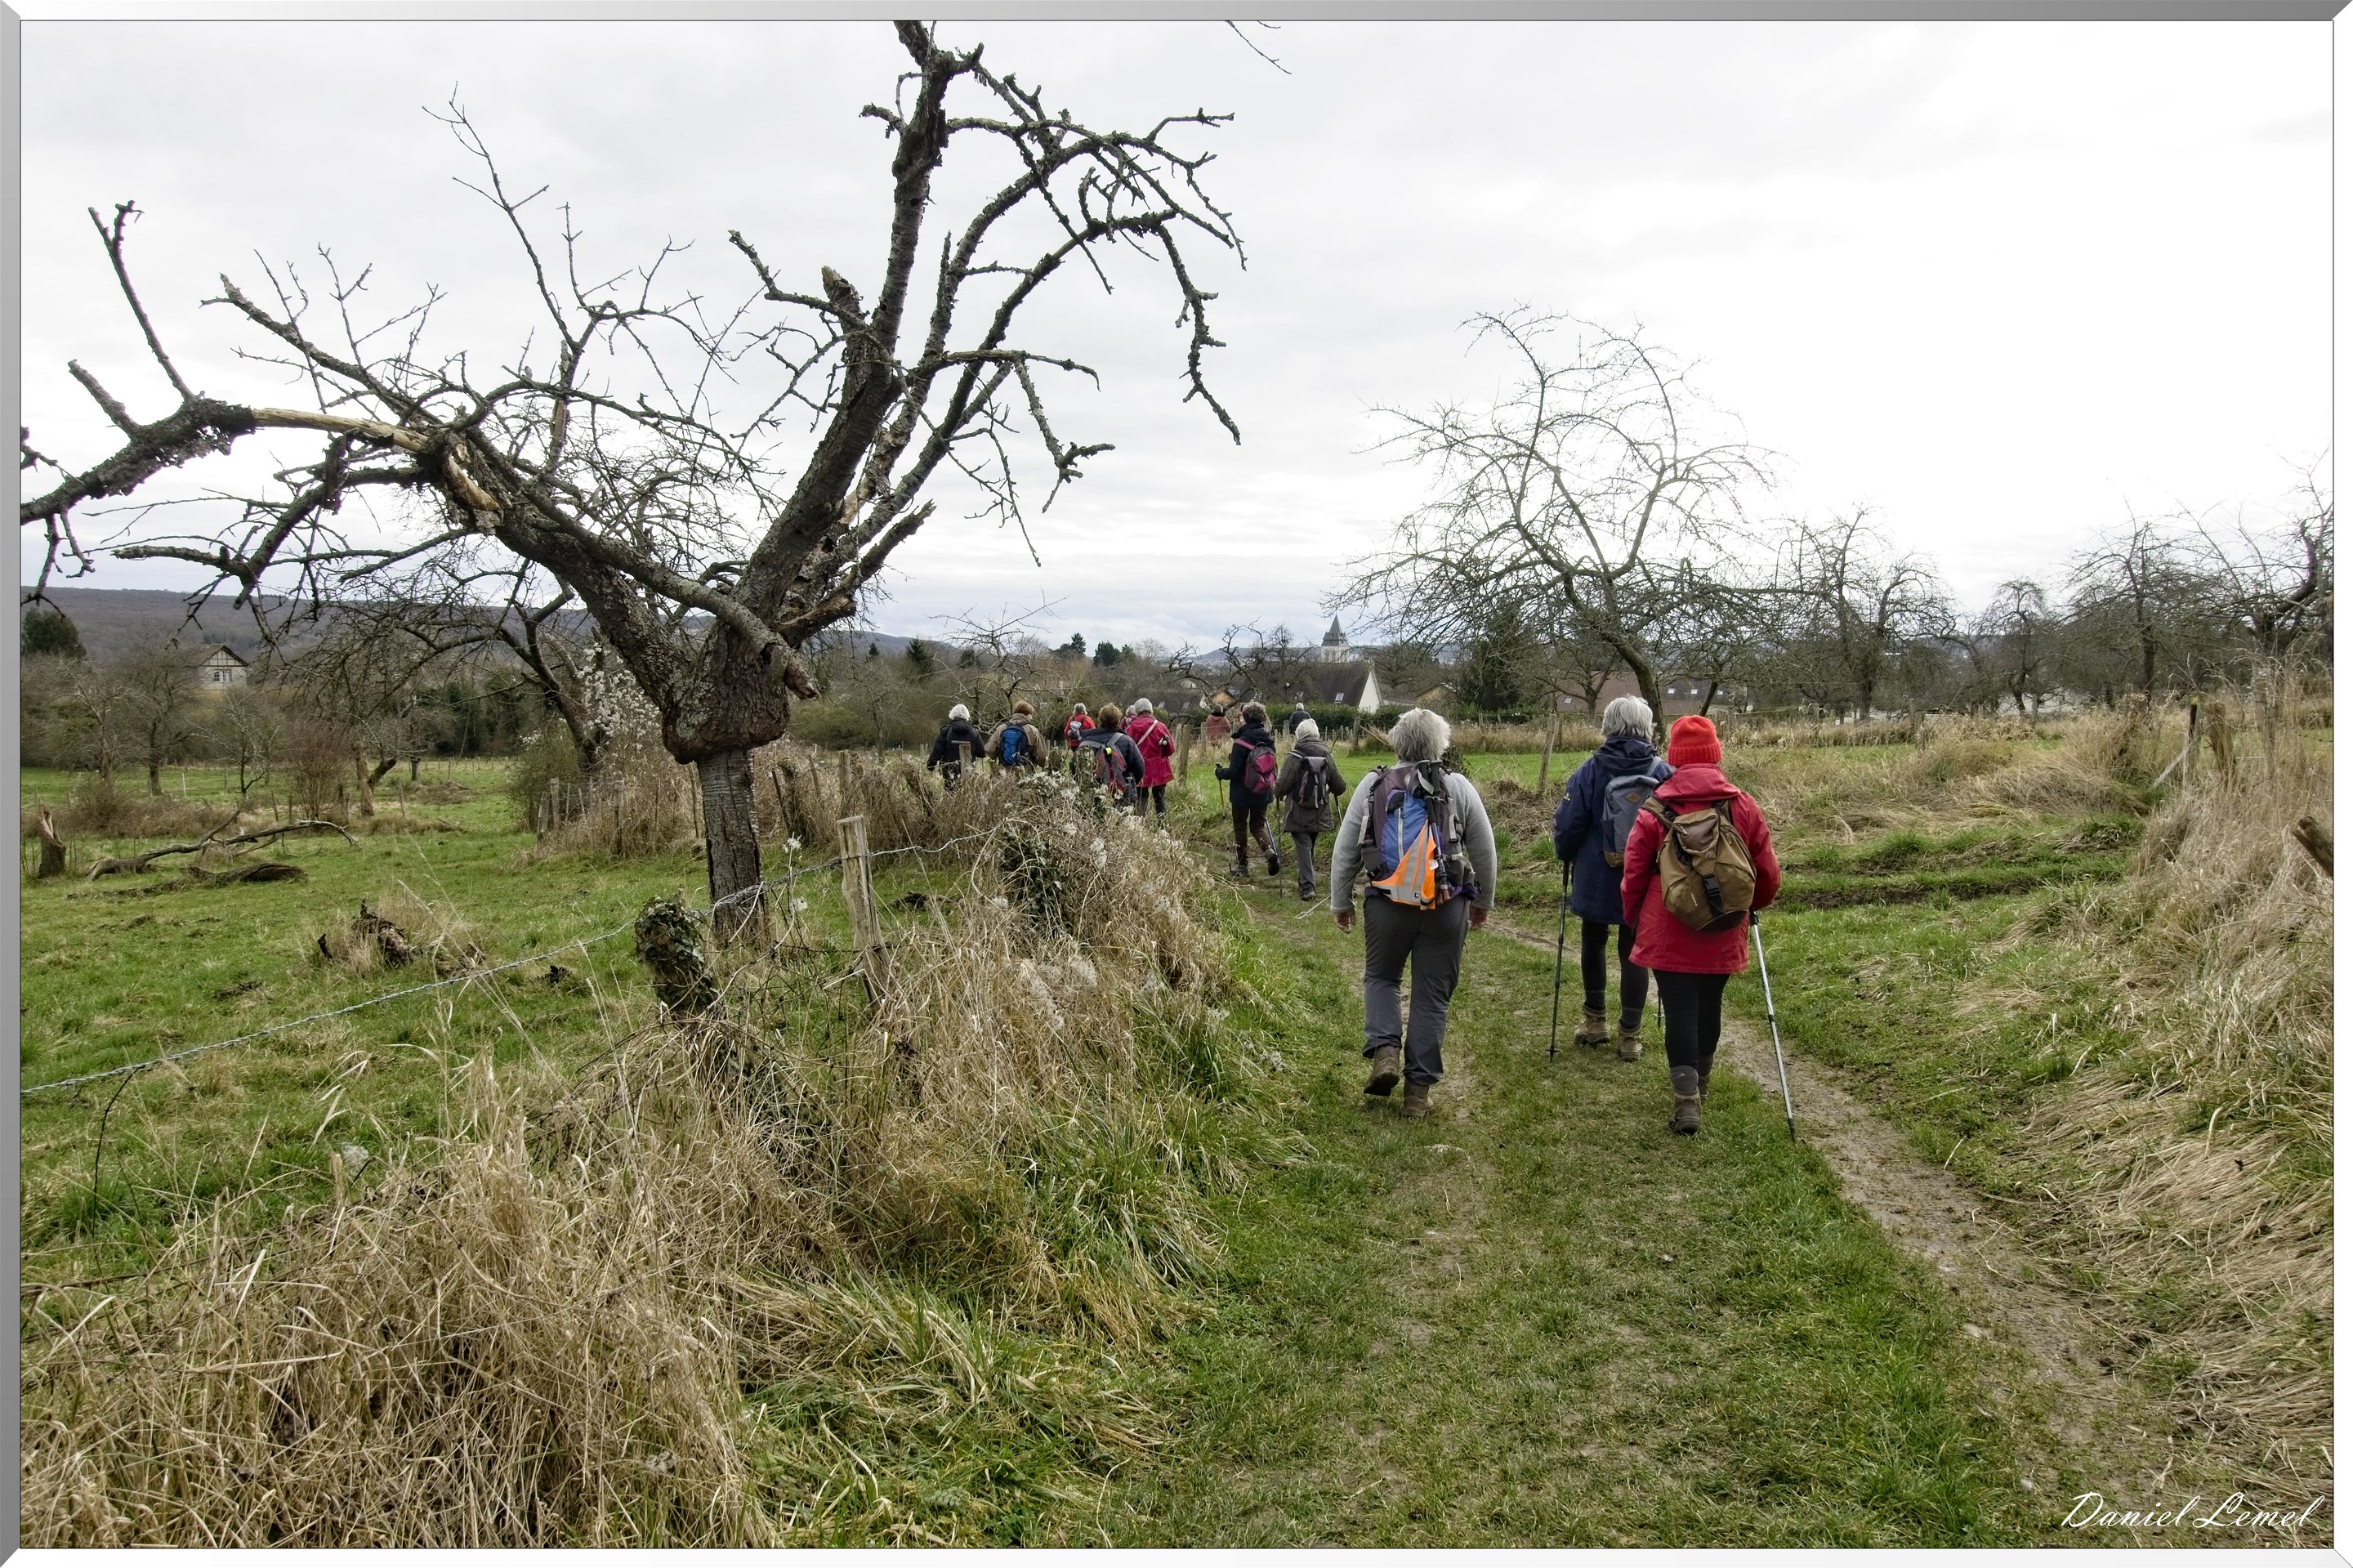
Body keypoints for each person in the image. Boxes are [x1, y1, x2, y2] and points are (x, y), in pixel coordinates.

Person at [1328, 708, 1498, 1119]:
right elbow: (1484, 850)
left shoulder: (1373, 783)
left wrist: (1341, 901)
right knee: (1431, 996)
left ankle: (1386, 1049)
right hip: (1446, 903)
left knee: (1382, 978)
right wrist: (1482, 902)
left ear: (1396, 743)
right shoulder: (1456, 786)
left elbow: (1346, 848)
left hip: (1386, 902)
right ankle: (1417, 1095)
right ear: (1441, 745)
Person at [1619, 714, 1782, 1136]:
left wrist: (1634, 917)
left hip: (1668, 924)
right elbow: (1767, 874)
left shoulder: (1655, 808)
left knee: (1679, 1011)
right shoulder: (1742, 805)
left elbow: (1634, 872)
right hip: (1724, 924)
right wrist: (1747, 909)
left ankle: (1686, 1100)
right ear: (1715, 755)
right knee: (1710, 1005)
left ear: (1673, 758)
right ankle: (1702, 1083)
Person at [1552, 695, 1672, 1061]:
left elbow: (1570, 824)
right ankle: (1630, 1037)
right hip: (1645, 873)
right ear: (1645, 726)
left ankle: (1595, 1022)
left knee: (1593, 938)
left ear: (1609, 726)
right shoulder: (1662, 771)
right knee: (1634, 949)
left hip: (1596, 872)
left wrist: (1565, 852)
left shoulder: (1590, 770)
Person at [1273, 717, 1346, 902]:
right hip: (1320, 812)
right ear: (1317, 735)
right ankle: (1306, 881)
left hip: (1297, 813)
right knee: (1308, 845)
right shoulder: (1327, 757)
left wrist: (1276, 791)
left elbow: (1281, 788)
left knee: (1304, 845)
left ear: (1299, 736)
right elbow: (1340, 787)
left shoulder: (1294, 757)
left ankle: (1307, 887)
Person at [1214, 700, 1282, 879]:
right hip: (1263, 790)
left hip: (1242, 793)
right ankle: (1269, 851)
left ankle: (1243, 866)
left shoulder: (1241, 742)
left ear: (1245, 718)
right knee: (1257, 826)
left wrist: (1220, 773)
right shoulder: (1269, 740)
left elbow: (1235, 772)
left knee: (1240, 827)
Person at [1075, 703, 1147, 807]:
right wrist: (1127, 782)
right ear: (1118, 720)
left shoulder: (1085, 742)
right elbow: (1139, 768)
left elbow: (1075, 767)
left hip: (1093, 796)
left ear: (1100, 719)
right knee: (1122, 821)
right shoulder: (1127, 741)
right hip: (1122, 793)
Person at [1123, 699, 1177, 819]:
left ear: (1137, 712)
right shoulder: (1160, 727)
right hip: (1159, 769)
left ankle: (1142, 828)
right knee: (1160, 798)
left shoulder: (1130, 729)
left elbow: (1126, 751)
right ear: (1151, 710)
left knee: (1141, 798)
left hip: (1139, 770)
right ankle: (1162, 826)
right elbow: (1171, 750)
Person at [926, 703, 985, 785]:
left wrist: (931, 765)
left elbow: (937, 750)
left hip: (949, 769)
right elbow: (981, 753)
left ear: (952, 715)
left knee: (950, 792)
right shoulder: (974, 732)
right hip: (968, 769)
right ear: (967, 716)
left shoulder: (946, 731)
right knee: (967, 792)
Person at [983, 699, 1047, 772]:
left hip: (1004, 772)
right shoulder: (1032, 730)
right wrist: (1041, 764)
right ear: (1027, 714)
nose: (1031, 718)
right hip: (1025, 773)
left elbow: (990, 750)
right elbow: (1042, 756)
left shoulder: (1001, 728)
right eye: (1031, 715)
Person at [1060, 700, 1094, 773]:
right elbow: (1093, 732)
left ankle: (1075, 773)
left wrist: (1069, 741)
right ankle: (1084, 773)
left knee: (1076, 759)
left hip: (1074, 745)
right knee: (1085, 760)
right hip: (1085, 745)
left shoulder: (1071, 719)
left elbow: (1066, 732)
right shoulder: (1088, 719)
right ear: (1084, 710)